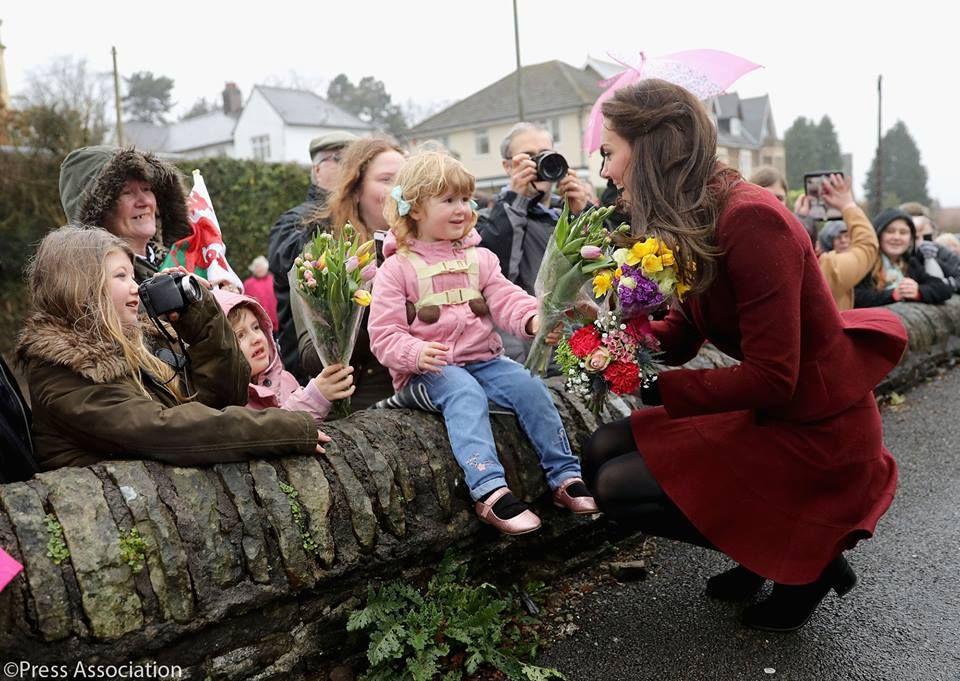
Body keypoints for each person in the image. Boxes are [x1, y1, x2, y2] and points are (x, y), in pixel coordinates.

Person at [584, 79, 908, 632]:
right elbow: (687, 329)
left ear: (653, 149)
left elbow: (773, 377)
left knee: (617, 487)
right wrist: (622, 338)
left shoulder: (752, 220)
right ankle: (762, 549)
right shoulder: (697, 213)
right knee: (599, 452)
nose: (605, 171)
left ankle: (808, 568)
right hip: (772, 412)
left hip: (813, 429)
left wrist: (658, 389)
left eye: (609, 153)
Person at [367, 151, 598, 536]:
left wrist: (533, 319)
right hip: (427, 372)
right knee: (464, 393)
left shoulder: (480, 259)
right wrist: (417, 353)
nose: (461, 209)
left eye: (465, 200)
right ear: (416, 209)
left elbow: (507, 298)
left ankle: (565, 475)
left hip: (483, 360)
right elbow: (383, 335)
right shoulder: (397, 268)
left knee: (530, 386)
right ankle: (489, 489)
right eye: (448, 200)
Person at [15, 226, 328, 471]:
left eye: (133, 274)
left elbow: (223, 395)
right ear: (80, 287)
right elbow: (169, 432)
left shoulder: (136, 349)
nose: (136, 287)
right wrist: (287, 430)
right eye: (121, 276)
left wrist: (197, 314)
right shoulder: (63, 371)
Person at [295, 137, 406, 410]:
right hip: (367, 411)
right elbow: (312, 356)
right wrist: (359, 296)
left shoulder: (435, 249)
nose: (399, 190)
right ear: (355, 190)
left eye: (406, 178)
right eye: (386, 179)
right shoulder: (323, 258)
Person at [477, 123, 593, 361]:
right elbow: (501, 273)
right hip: (532, 351)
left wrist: (582, 214)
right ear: (507, 166)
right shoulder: (489, 221)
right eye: (529, 157)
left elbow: (600, 274)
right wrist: (515, 201)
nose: (540, 163)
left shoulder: (568, 211)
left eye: (545, 154)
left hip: (587, 349)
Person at [268, 131, 359, 382]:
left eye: (357, 162)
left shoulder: (366, 215)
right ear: (317, 170)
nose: (350, 168)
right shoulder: (293, 221)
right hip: (309, 372)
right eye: (340, 159)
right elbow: (293, 264)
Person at [211, 288, 354, 421]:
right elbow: (269, 436)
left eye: (256, 327)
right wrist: (315, 398)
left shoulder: (285, 379)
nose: (256, 338)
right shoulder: (229, 403)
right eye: (240, 335)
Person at [59, 146, 195, 283]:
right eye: (127, 192)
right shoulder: (88, 286)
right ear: (99, 211)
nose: (145, 201)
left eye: (147, 189)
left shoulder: (183, 262)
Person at [853, 208, 953, 307]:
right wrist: (892, 294)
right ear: (878, 235)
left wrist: (918, 292)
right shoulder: (865, 263)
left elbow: (943, 289)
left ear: (911, 239)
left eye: (903, 232)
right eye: (890, 231)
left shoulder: (911, 263)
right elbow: (855, 296)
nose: (897, 237)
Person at [809, 174, 879, 310]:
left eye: (847, 236)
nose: (843, 241)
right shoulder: (827, 268)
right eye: (837, 237)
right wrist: (848, 205)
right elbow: (867, 245)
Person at [899, 201, 960, 294]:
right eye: (915, 237)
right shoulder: (897, 256)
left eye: (927, 236)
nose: (921, 242)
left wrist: (947, 283)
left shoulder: (941, 252)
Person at [242, 255, 280, 330]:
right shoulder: (248, 284)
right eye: (257, 267)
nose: (259, 269)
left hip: (277, 318)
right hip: (259, 321)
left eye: (261, 267)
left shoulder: (273, 279)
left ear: (266, 267)